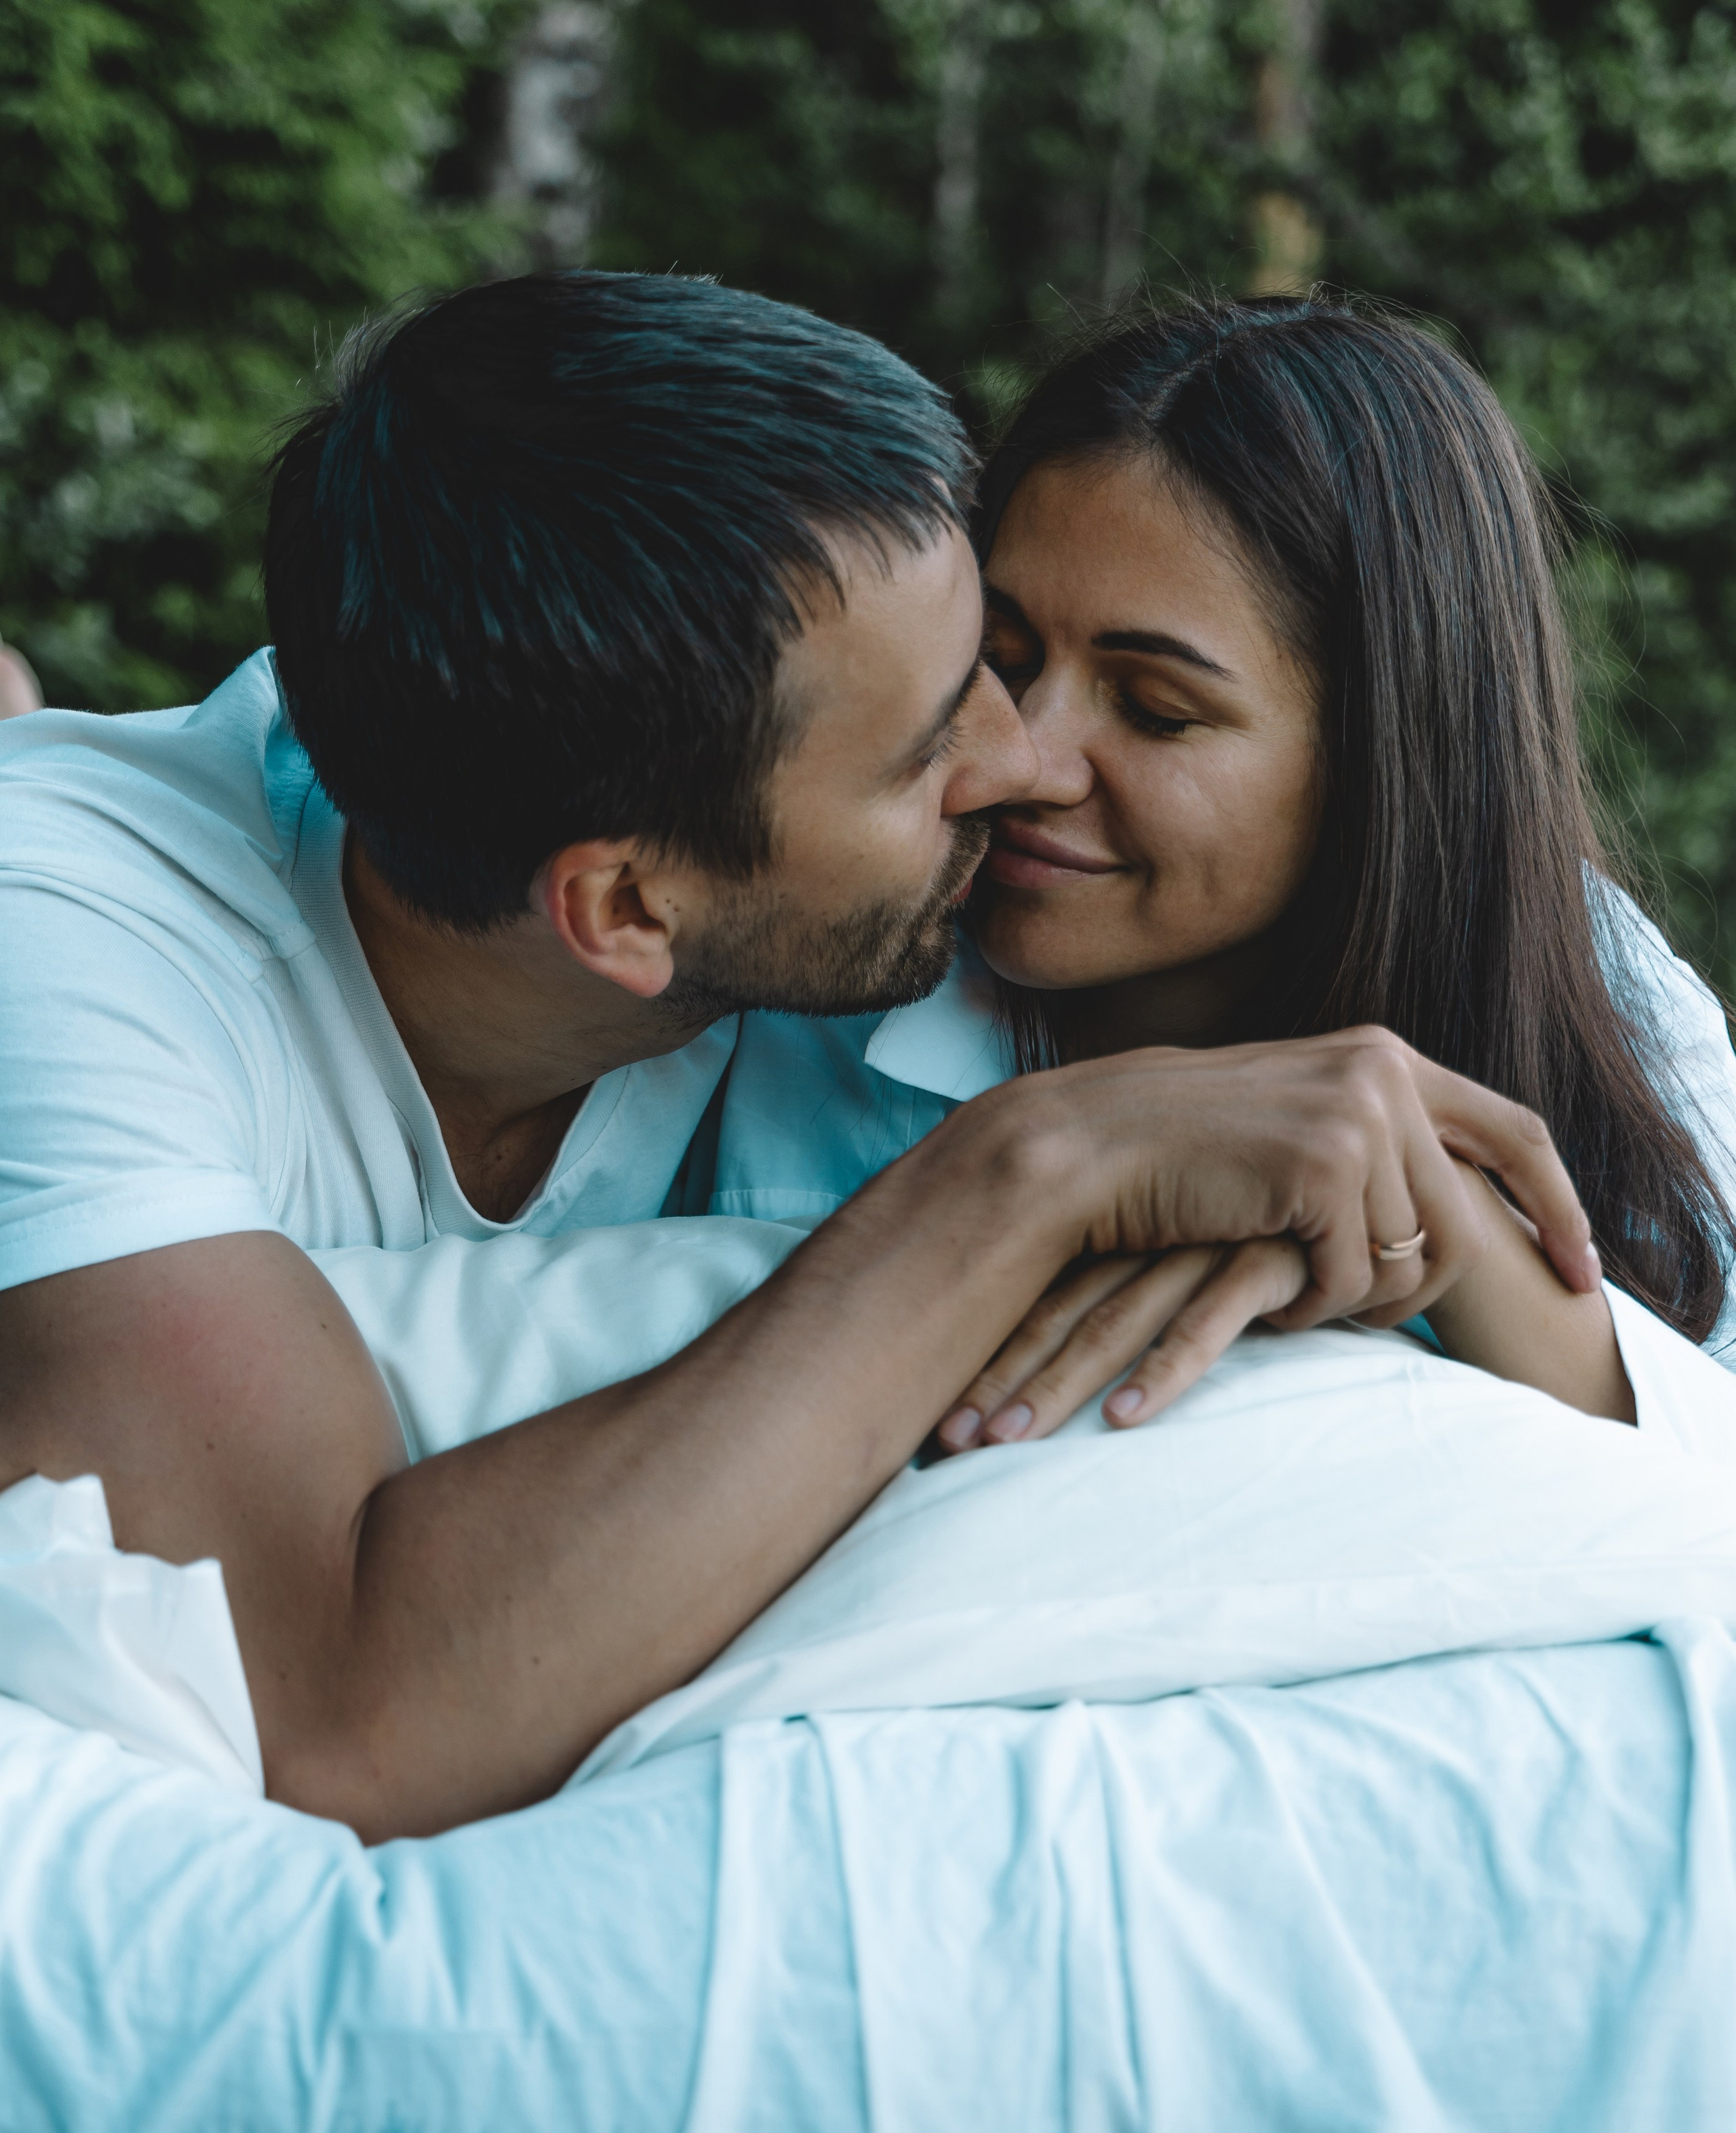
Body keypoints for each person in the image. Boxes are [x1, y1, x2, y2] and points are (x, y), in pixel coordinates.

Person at [0, 274, 1596, 1843]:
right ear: (627, 907)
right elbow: (341, 1720)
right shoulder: (81, 966)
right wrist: (1022, 1176)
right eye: (927, 748)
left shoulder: (827, 865)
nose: (1018, 761)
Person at [707, 297, 1736, 1450]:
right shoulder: (809, 945)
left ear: (1388, 757)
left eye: (1157, 711)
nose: (1020, 759)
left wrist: (1457, 1232)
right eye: (994, 659)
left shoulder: (1608, 1003)